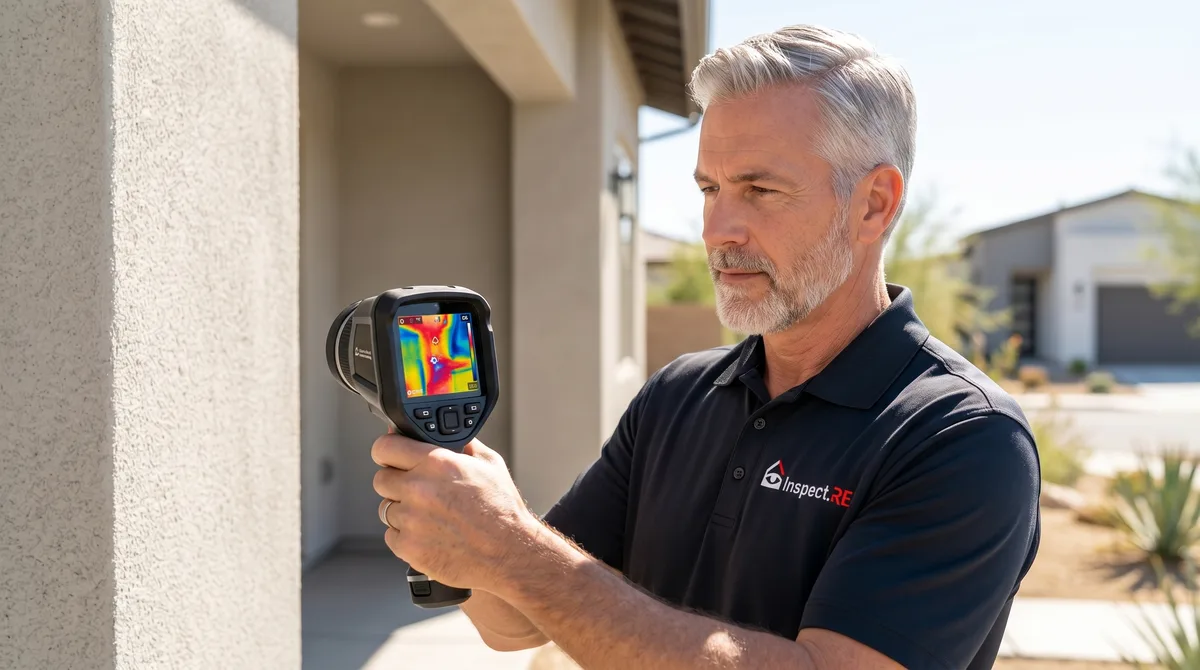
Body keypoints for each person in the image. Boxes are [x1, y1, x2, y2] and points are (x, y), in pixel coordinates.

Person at [371, 24, 1040, 669]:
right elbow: (515, 622)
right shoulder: (677, 396)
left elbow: (538, 575)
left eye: (760, 190)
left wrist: (514, 548)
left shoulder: (963, 437)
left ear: (874, 204)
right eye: (710, 189)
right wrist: (458, 518)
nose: (717, 230)